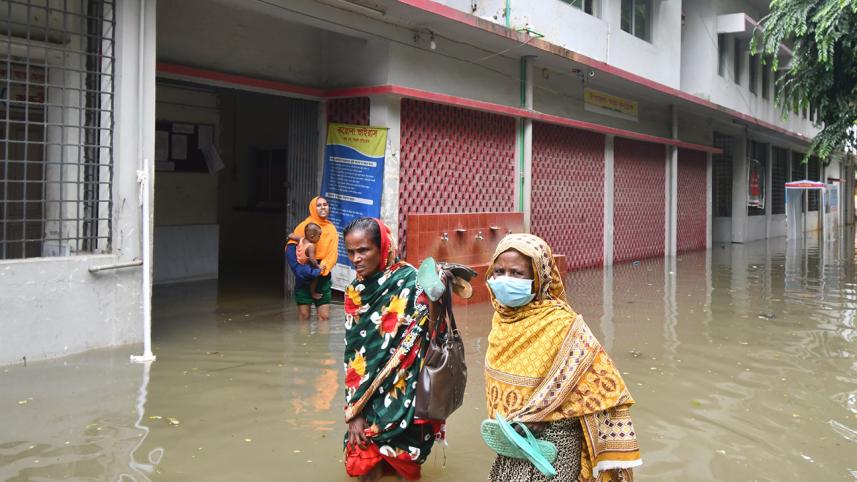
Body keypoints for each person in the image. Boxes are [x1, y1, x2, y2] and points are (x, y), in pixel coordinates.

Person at [484, 234, 641, 482]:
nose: (505, 279)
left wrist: (545, 415)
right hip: (509, 442)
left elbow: (604, 387)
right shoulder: (501, 321)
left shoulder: (563, 324)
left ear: (538, 278)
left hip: (553, 443)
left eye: (517, 273)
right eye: (499, 271)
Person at [341, 217, 444, 481]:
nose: (356, 259)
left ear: (382, 247)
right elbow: (353, 356)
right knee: (364, 464)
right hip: (366, 397)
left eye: (363, 250)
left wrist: (436, 295)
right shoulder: (354, 292)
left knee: (403, 466)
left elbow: (436, 332)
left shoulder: (411, 280)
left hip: (406, 393)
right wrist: (353, 412)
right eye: (350, 252)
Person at [287, 196, 338, 321]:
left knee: (324, 317)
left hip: (323, 272)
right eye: (319, 205)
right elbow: (291, 245)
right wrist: (298, 268)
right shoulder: (304, 226)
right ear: (313, 208)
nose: (323, 207)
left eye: (325, 204)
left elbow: (332, 252)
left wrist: (323, 267)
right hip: (305, 271)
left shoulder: (331, 229)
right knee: (304, 316)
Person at [296, 222, 323, 300]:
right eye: (319, 236)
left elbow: (291, 235)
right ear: (312, 237)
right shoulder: (311, 246)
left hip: (298, 266)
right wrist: (318, 267)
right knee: (315, 276)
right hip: (305, 267)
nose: (319, 238)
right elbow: (312, 259)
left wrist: (289, 236)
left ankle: (299, 290)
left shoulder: (301, 239)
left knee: (300, 283)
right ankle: (313, 293)